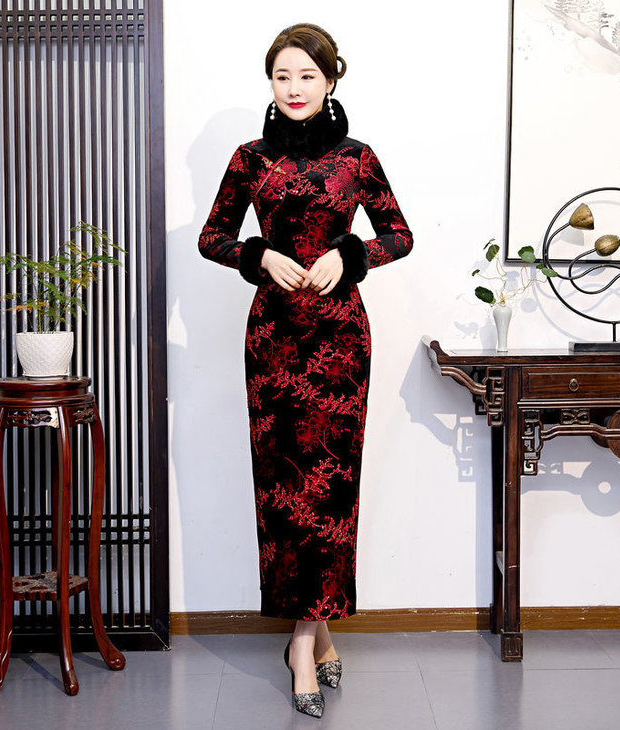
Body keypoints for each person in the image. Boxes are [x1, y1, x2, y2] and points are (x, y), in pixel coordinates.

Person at [198, 22, 413, 718]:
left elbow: (399, 235)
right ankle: (315, 634)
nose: (294, 88)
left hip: (342, 344)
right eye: (282, 77)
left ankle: (300, 641)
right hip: (273, 342)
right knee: (284, 490)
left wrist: (351, 255)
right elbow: (212, 236)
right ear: (271, 83)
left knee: (331, 492)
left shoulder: (357, 158)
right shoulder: (250, 159)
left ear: (330, 81)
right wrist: (257, 254)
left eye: (307, 76)